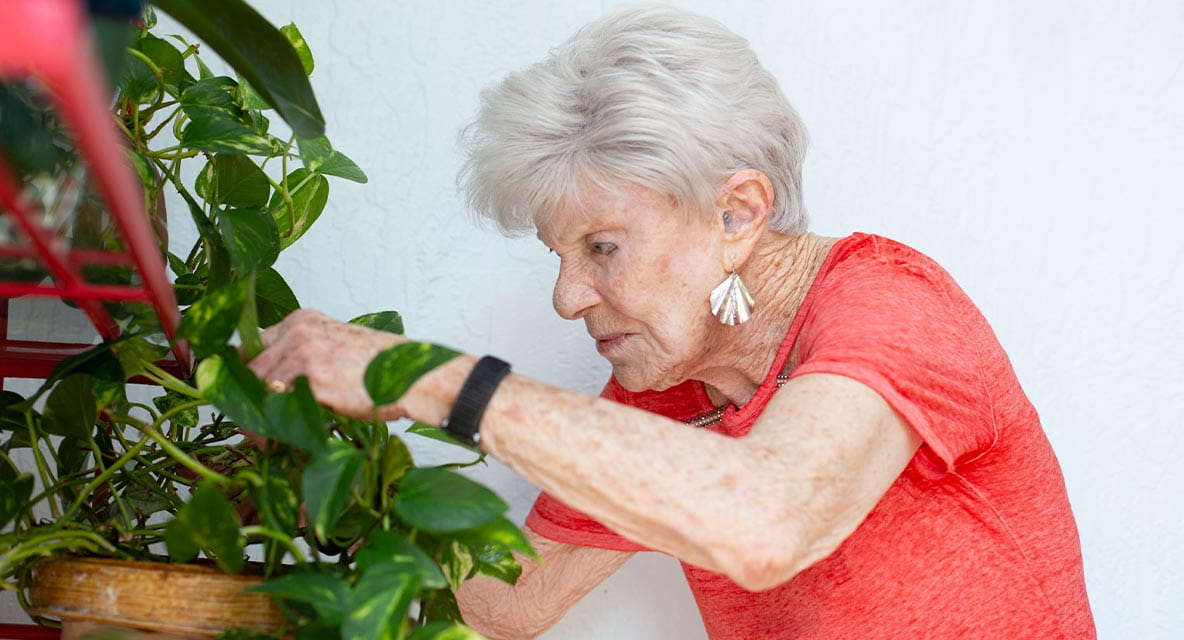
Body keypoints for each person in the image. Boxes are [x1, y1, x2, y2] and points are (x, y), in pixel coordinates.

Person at [249, 7, 1095, 639]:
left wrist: (433, 380)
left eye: (602, 247)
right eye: (558, 253)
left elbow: (767, 519)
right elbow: (513, 600)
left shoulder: (891, 306)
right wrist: (315, 475)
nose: (567, 296)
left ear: (736, 215)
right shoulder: (668, 387)